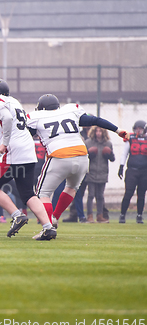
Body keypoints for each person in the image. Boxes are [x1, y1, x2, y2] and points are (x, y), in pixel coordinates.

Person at [26, 94, 128, 233]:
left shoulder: (36, 117)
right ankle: (55, 217)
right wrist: (118, 130)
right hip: (82, 156)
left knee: (42, 193)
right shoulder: (70, 111)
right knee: (72, 188)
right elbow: (95, 120)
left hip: (59, 156)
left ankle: (48, 226)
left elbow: (24, 135)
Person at [0, 79, 56, 241]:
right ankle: (48, 227)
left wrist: (4, 145)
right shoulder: (13, 101)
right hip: (28, 150)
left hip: (14, 151)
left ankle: (17, 215)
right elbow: (10, 128)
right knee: (28, 193)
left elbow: (7, 120)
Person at [118, 120, 147, 224]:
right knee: (129, 193)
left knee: (142, 194)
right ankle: (122, 215)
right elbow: (124, 153)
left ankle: (139, 216)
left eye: (140, 128)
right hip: (132, 170)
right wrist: (121, 166)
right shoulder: (130, 138)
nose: (138, 130)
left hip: (144, 171)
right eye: (136, 128)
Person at [84, 126, 115, 223]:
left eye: (100, 131)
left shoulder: (108, 144)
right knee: (91, 195)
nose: (98, 133)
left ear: (103, 132)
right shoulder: (88, 143)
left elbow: (112, 159)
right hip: (91, 172)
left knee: (100, 196)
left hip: (102, 172)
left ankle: (100, 216)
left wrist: (109, 154)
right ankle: (89, 216)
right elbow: (83, 157)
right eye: (97, 131)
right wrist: (89, 155)